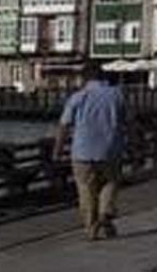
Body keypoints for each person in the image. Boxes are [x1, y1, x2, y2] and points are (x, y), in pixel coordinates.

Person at [53, 62, 127, 241]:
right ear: (103, 77)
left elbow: (64, 126)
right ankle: (105, 212)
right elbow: (128, 121)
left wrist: (58, 149)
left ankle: (91, 227)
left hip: (82, 151)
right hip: (111, 149)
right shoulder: (117, 95)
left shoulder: (79, 97)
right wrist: (130, 143)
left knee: (86, 188)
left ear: (84, 78)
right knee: (111, 182)